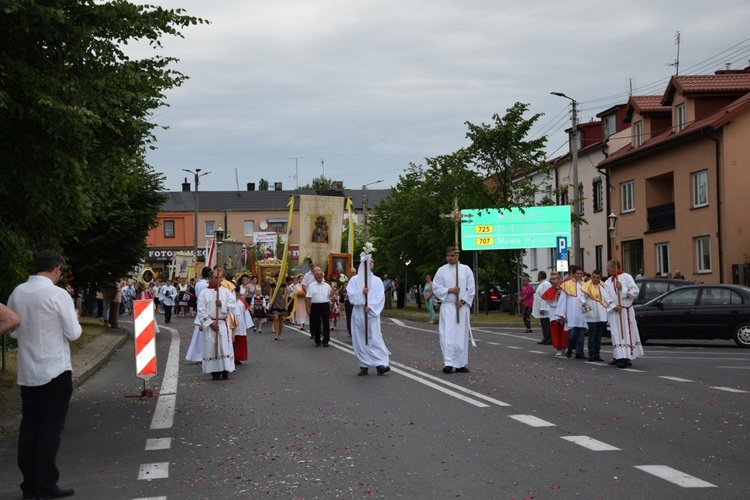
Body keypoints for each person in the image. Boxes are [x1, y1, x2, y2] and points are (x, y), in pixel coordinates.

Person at [8, 250, 81, 499]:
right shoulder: (58, 294)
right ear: (58, 269)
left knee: (29, 426)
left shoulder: (17, 292)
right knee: (50, 429)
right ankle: (46, 484)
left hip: (28, 370)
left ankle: (29, 485)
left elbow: (12, 330)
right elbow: (73, 333)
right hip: (55, 370)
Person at [432, 247, 475, 374]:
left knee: (461, 335)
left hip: (461, 307)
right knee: (448, 335)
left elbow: (471, 288)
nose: (449, 258)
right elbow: (436, 287)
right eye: (448, 256)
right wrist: (450, 290)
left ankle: (460, 363)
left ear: (457, 256)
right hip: (449, 306)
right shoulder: (442, 270)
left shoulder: (465, 269)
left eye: (452, 256)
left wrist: (462, 301)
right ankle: (449, 363)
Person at [347, 255, 390, 375]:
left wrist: (370, 306)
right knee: (360, 338)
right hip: (359, 312)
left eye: (372, 261)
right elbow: (351, 295)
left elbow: (380, 297)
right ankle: (363, 365)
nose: (370, 263)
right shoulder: (354, 280)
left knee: (374, 337)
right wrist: (361, 294)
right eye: (367, 262)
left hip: (371, 313)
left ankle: (380, 364)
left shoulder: (377, 280)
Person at [602, 260, 644, 368]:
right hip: (615, 312)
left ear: (614, 267)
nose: (606, 269)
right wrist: (614, 306)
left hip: (626, 311)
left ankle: (625, 358)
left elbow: (635, 292)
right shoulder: (608, 282)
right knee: (616, 335)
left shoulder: (627, 277)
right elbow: (605, 296)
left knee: (626, 334)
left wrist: (623, 289)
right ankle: (618, 356)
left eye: (608, 267)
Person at [197, 269, 236, 380]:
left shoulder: (225, 291)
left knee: (224, 347)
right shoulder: (204, 293)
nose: (219, 280)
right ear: (210, 279)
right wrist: (210, 323)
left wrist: (222, 304)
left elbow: (232, 305)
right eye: (216, 278)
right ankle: (214, 371)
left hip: (222, 324)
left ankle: (225, 369)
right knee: (212, 347)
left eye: (221, 277)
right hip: (211, 324)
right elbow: (201, 310)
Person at [555, 265, 587, 359]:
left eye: (581, 273)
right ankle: (570, 349)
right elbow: (563, 300)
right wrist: (561, 313)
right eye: (577, 273)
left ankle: (579, 352)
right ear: (573, 274)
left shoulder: (585, 285)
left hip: (581, 312)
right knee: (572, 332)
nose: (579, 275)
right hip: (571, 311)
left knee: (581, 332)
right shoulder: (566, 285)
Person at [186, 267, 211, 363]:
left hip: (199, 307)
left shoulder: (198, 284)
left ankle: (197, 355)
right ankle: (200, 355)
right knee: (203, 335)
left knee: (198, 335)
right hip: (204, 308)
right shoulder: (205, 285)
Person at [581, 270, 607, 362]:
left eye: (597, 278)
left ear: (600, 278)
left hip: (602, 312)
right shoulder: (587, 285)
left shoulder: (604, 286)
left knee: (599, 334)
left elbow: (607, 297)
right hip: (591, 312)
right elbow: (582, 296)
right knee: (593, 333)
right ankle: (591, 353)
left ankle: (597, 353)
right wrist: (583, 302)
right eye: (593, 277)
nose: (595, 279)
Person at [306, 267, 333, 347]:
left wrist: (333, 288)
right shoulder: (311, 286)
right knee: (316, 323)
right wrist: (308, 308)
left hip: (325, 305)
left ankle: (326, 340)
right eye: (317, 275)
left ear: (323, 276)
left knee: (326, 323)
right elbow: (308, 297)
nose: (319, 276)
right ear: (314, 276)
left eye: (320, 274)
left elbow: (330, 296)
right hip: (315, 305)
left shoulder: (327, 285)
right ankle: (317, 340)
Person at [542, 271, 567, 356]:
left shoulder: (564, 287)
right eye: (552, 279)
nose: (553, 281)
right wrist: (556, 296)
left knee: (564, 331)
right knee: (556, 332)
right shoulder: (550, 290)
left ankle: (565, 347)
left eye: (555, 278)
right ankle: (558, 348)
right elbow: (550, 302)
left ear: (559, 279)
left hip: (564, 313)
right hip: (554, 314)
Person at [532, 271, 552, 344]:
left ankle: (548, 338)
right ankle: (545, 338)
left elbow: (545, 297)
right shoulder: (542, 284)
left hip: (545, 309)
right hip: (542, 308)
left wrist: (543, 308)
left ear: (540, 276)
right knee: (544, 324)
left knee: (546, 324)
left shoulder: (545, 285)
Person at [232, 287, 251, 363]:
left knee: (239, 342)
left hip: (241, 324)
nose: (236, 295)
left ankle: (238, 358)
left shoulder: (242, 301)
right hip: (232, 324)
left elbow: (246, 313)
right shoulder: (229, 301)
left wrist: (247, 325)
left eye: (237, 294)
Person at [344, 267, 356, 336]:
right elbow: (343, 291)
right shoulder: (346, 281)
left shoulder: (358, 280)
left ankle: (355, 332)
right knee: (349, 317)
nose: (353, 274)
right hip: (348, 301)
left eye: (354, 273)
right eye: (352, 273)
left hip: (356, 302)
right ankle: (350, 331)